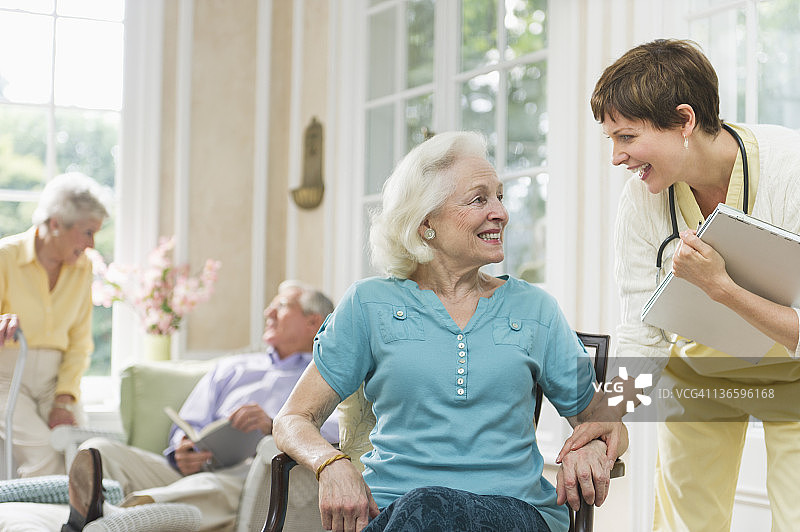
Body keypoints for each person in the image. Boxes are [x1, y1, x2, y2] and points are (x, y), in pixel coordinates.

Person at [272, 131, 628, 532]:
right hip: (391, 512)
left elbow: (603, 415)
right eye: (479, 199)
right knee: (421, 509)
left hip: (513, 512)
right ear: (426, 223)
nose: (501, 213)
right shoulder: (368, 305)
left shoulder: (534, 309)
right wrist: (331, 463)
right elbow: (292, 419)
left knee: (428, 504)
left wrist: (596, 442)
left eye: (499, 197)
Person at [559, 39, 800, 532]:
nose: (616, 157)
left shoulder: (790, 170)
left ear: (685, 120)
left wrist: (721, 287)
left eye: (625, 137)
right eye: (610, 139)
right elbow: (643, 331)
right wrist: (611, 411)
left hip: (793, 368)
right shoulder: (642, 203)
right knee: (686, 523)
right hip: (701, 369)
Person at [61, 280, 339, 532]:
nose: (268, 312)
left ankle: (117, 516)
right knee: (100, 450)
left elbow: (339, 434)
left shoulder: (325, 376)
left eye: (281, 306)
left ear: (313, 322)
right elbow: (189, 421)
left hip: (255, 477)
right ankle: (125, 514)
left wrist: (274, 426)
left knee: (228, 482)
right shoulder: (231, 367)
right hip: (195, 470)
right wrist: (182, 447)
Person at [0, 172, 111, 477]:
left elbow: (79, 340)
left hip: (56, 379)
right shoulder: (5, 258)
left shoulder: (83, 268)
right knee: (44, 456)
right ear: (55, 223)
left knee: (82, 456)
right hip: (6, 379)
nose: (91, 244)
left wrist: (64, 398)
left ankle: (79, 525)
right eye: (87, 232)